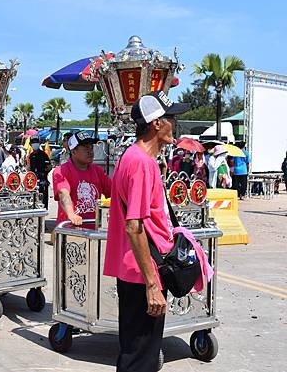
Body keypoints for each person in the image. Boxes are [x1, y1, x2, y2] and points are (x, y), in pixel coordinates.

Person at [104, 91, 189, 371]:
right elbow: (134, 226)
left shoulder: (134, 158)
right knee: (140, 358)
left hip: (136, 270)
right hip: (142, 273)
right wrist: (153, 284)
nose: (174, 124)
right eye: (171, 118)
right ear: (156, 123)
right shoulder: (141, 163)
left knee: (138, 352)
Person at [53, 131, 111, 228]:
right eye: (85, 148)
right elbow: (63, 194)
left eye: (91, 147)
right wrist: (71, 214)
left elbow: (115, 192)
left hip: (94, 230)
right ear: (73, 151)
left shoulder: (98, 171)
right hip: (71, 230)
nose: (90, 151)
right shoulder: (61, 171)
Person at [28, 137, 51, 209]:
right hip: (33, 179)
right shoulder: (31, 155)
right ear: (30, 144)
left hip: (42, 179)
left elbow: (49, 167)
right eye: (33, 143)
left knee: (43, 196)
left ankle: (44, 209)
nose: (35, 144)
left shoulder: (43, 154)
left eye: (36, 142)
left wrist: (44, 173)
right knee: (34, 197)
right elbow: (29, 167)